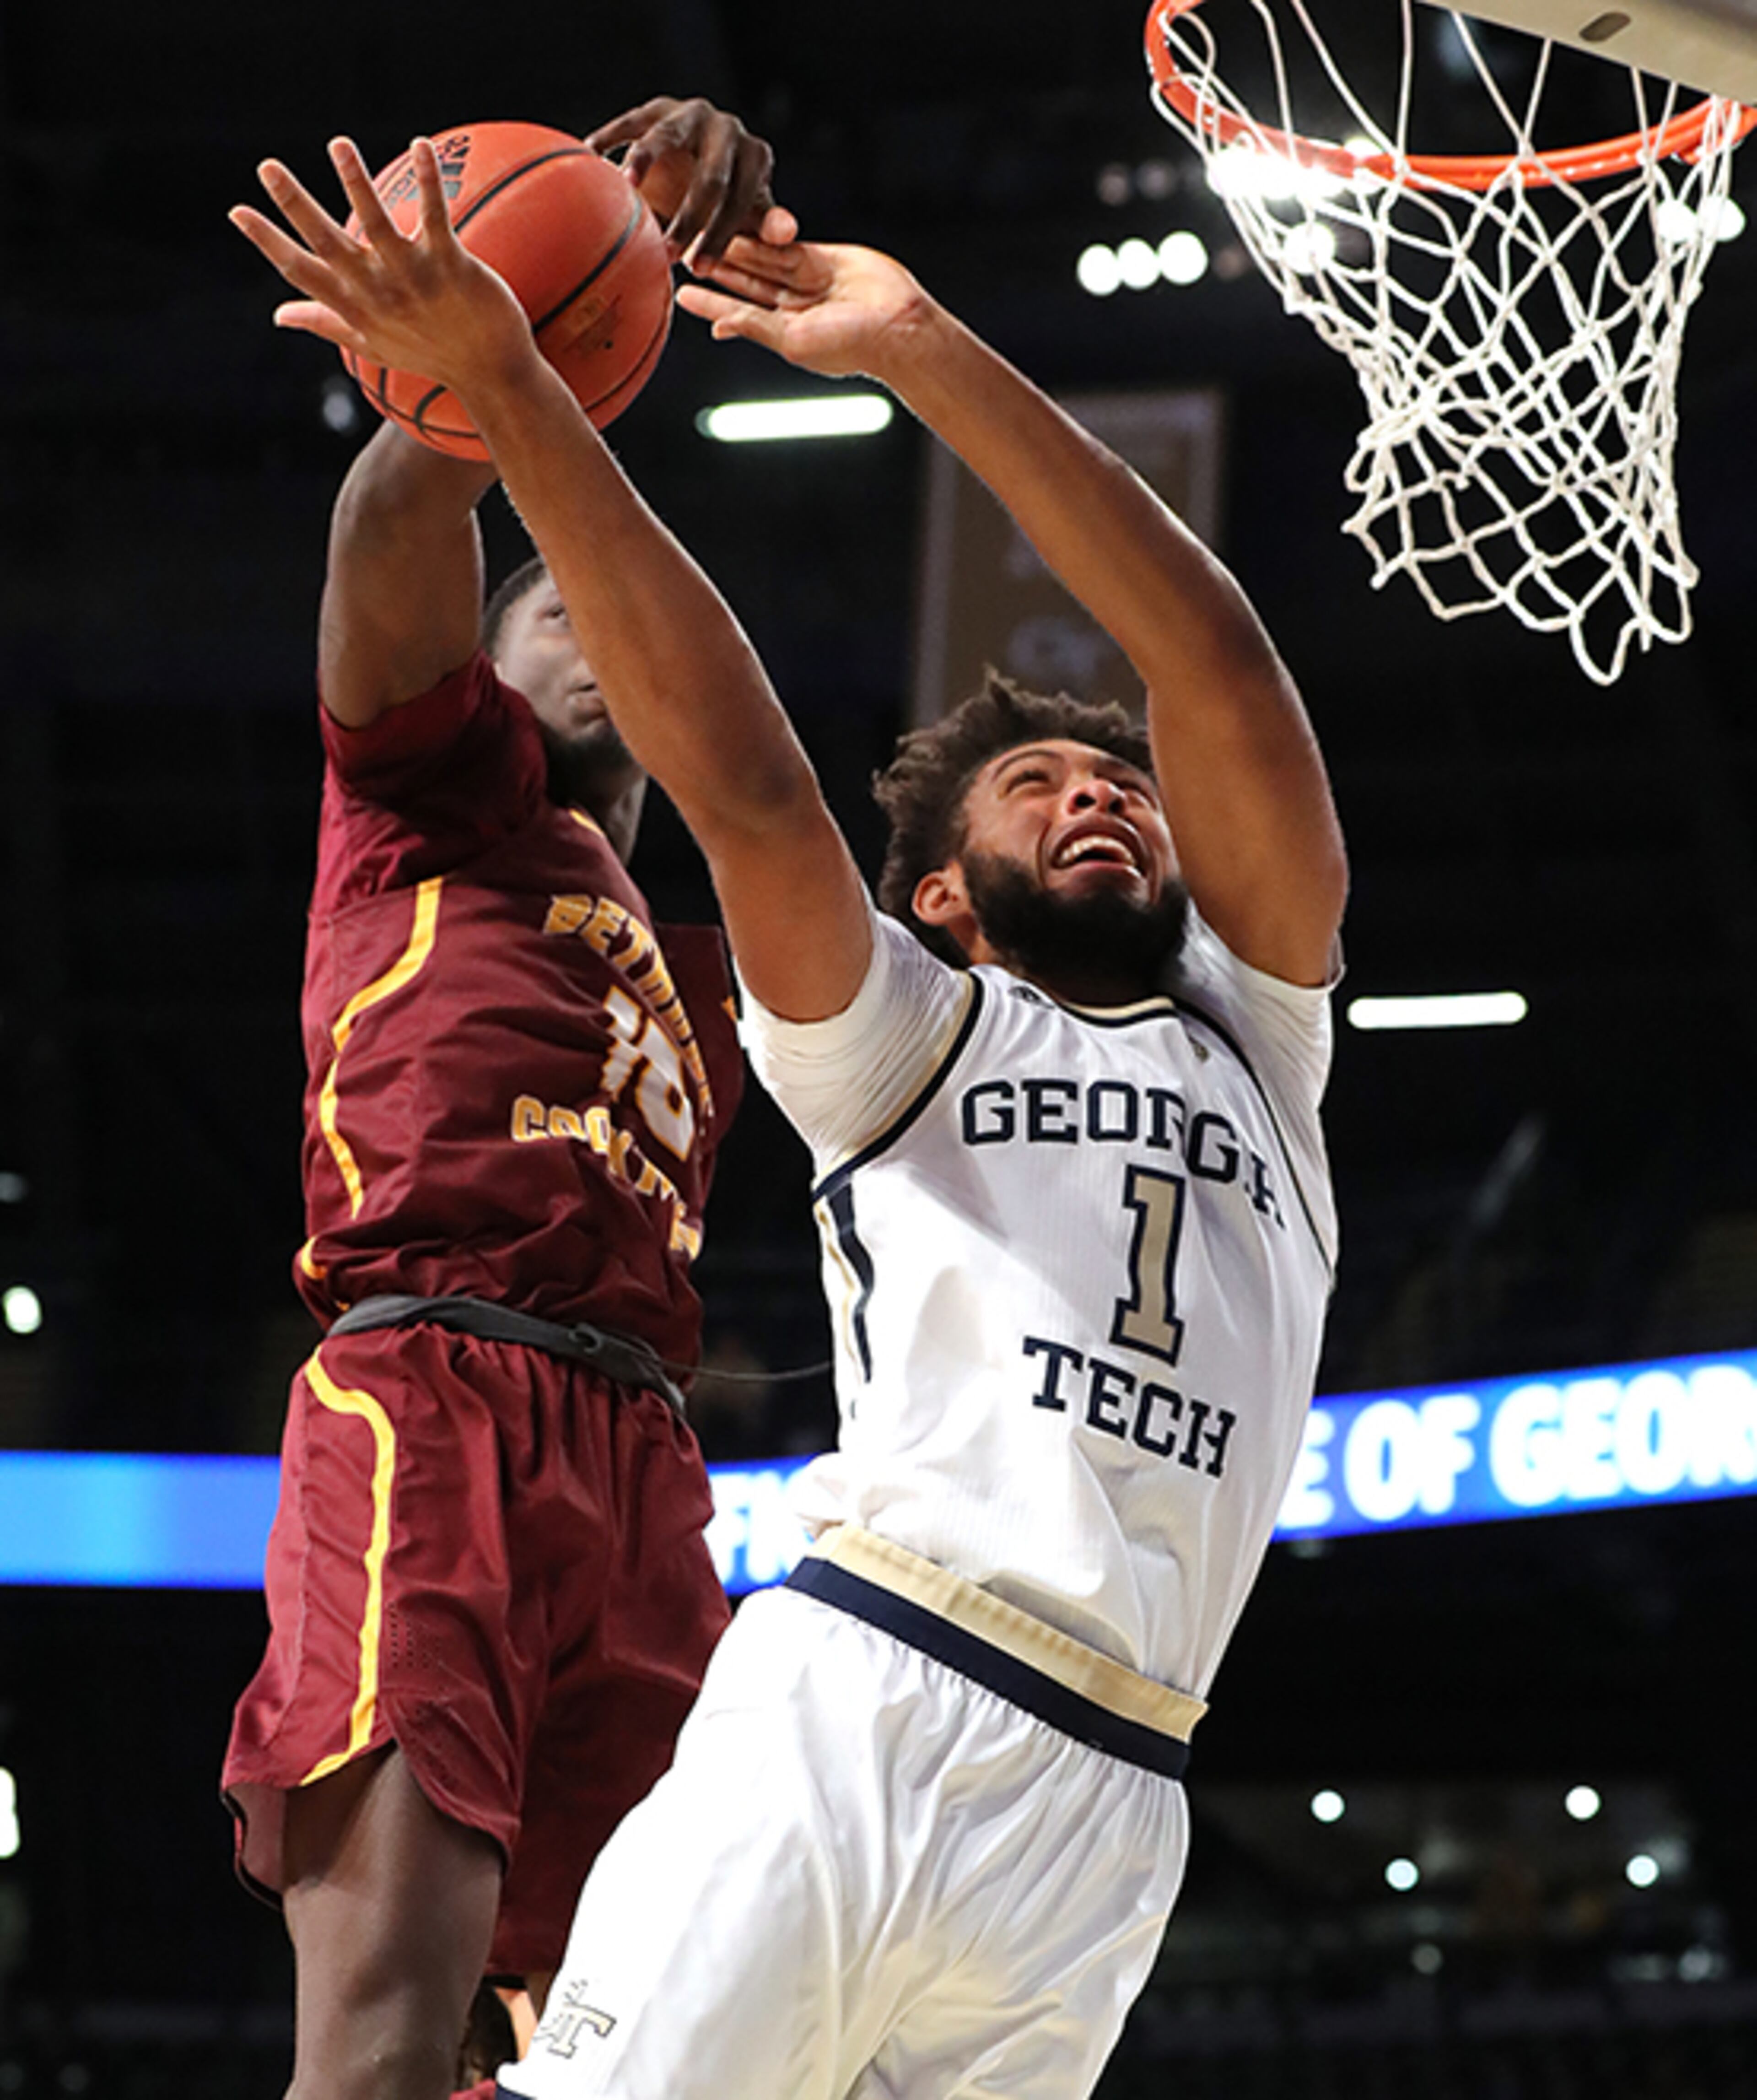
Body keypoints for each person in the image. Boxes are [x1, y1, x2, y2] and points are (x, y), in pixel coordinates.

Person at [231, 105, 1348, 2100]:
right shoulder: (891, 1027)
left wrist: (924, 341)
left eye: (1125, 787)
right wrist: (499, 375)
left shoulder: (1256, 1038)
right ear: (941, 893)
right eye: (1038, 788)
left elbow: (1221, 667)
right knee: (398, 2036)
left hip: (1103, 1777)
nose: (1101, 791)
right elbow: (743, 770)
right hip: (844, 1656)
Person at [222, 104, 792, 2100]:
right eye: (547, 597)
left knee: (666, 2056)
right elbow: (385, 543)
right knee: (380, 2035)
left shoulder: (710, 954)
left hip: (646, 1455)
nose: (587, 629)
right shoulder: (427, 788)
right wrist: (477, 373)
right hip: (436, 1394)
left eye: (610, 608)